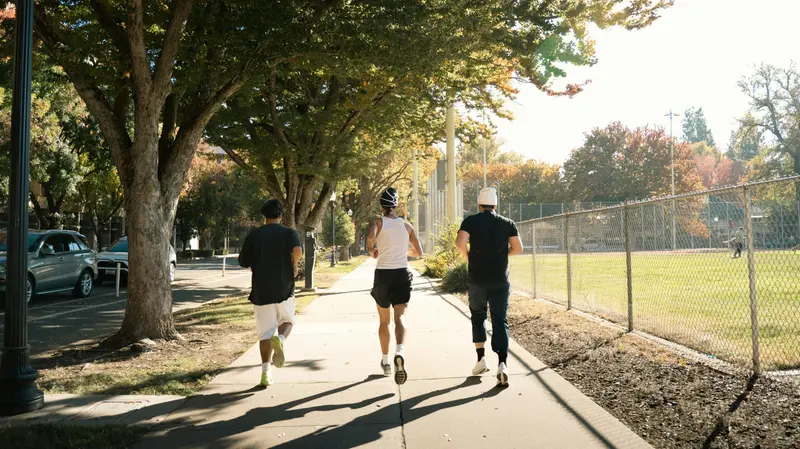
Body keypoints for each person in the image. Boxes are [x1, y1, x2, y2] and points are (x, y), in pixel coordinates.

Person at [456, 187, 523, 388]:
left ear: (479, 204)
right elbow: (518, 248)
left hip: (476, 278)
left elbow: (460, 242)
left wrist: (468, 256)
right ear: (495, 205)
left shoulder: (470, 221)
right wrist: (503, 254)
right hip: (500, 280)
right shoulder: (507, 223)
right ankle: (502, 364)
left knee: (478, 316)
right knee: (500, 319)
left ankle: (480, 360)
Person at [239, 199, 303, 387]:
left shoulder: (254, 235)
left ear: (264, 216)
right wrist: (295, 263)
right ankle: (281, 339)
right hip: (284, 287)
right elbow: (298, 250)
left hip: (261, 290)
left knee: (264, 334)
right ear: (280, 215)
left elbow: (243, 261)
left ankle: (266, 374)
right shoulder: (289, 233)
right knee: (288, 320)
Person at [366, 187, 424, 385]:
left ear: (381, 206)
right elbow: (419, 252)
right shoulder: (407, 227)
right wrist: (403, 253)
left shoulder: (377, 223)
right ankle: (400, 351)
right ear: (396, 206)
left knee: (384, 321)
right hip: (402, 274)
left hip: (383, 274)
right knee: (400, 317)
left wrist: (374, 249)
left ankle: (386, 362)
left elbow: (370, 239)